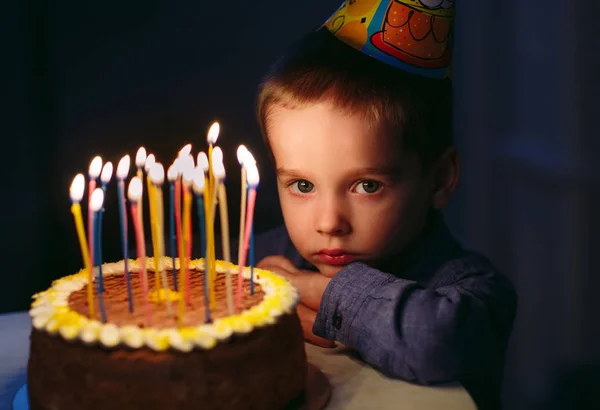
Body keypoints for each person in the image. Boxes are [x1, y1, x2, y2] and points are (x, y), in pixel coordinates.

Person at [248, 1, 518, 409]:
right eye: (302, 184)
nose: (329, 222)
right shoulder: (263, 257)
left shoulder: (473, 293)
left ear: (440, 179)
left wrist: (309, 290)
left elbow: (432, 340)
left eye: (366, 185)